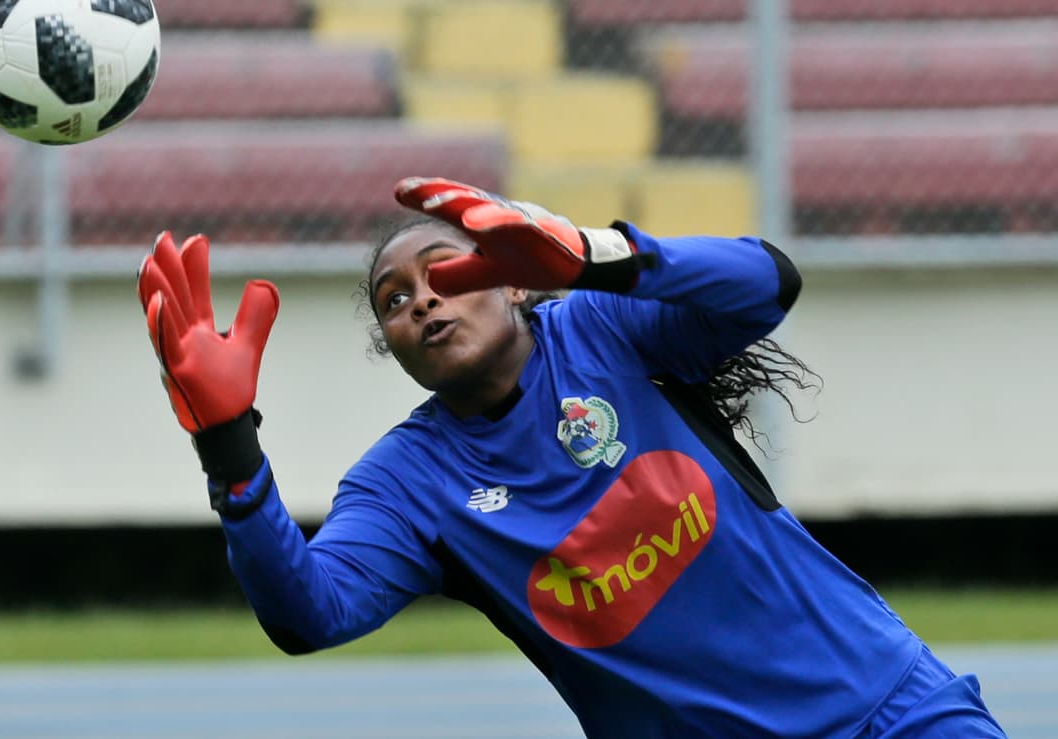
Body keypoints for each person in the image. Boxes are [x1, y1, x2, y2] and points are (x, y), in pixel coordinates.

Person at [136, 177, 1006, 738]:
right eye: (394, 301)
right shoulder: (408, 484)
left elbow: (768, 285)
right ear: (390, 346)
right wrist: (228, 443)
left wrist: (598, 256)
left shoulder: (601, 324)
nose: (423, 301)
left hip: (889, 708)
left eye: (444, 271)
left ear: (514, 280)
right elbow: (307, 614)